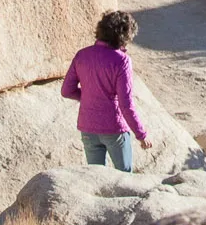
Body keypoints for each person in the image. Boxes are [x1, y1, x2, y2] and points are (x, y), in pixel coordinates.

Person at [59, 10, 150, 172]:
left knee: (95, 178)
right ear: (124, 36)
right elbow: (126, 105)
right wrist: (141, 134)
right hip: (114, 128)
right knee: (124, 177)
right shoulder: (122, 61)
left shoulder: (82, 55)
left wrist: (88, 97)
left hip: (88, 127)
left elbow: (66, 91)